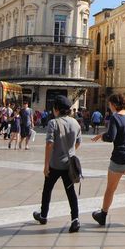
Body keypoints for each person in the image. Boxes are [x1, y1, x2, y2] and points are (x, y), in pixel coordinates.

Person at [91, 93, 125, 233]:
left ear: (114, 105)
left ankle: (103, 215)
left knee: (110, 189)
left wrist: (101, 136)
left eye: (110, 104)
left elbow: (111, 137)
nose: (109, 107)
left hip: (119, 158)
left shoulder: (115, 117)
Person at [32, 95, 82, 233]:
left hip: (54, 164)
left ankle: (43, 215)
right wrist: (70, 153)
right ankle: (75, 219)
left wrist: (46, 164)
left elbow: (49, 144)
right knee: (70, 192)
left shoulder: (53, 123)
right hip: (69, 166)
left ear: (56, 109)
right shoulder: (75, 123)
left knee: (47, 190)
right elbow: (78, 142)